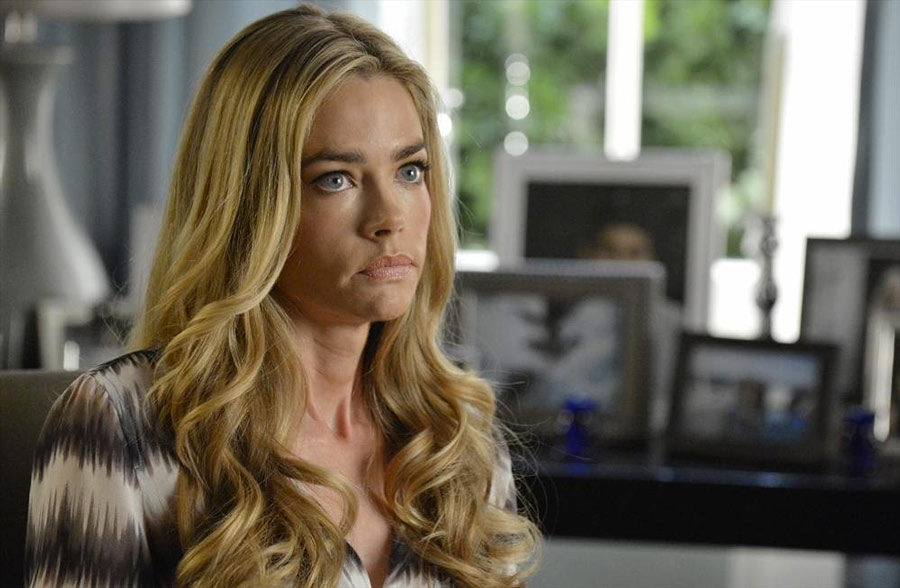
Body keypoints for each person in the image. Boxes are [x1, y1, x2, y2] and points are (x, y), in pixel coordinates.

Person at [24, 5, 539, 587]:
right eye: (335, 179)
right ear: (250, 206)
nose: (390, 217)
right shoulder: (122, 426)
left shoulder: (457, 439)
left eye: (410, 171)